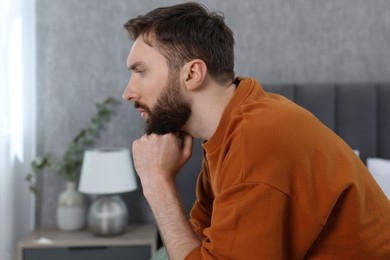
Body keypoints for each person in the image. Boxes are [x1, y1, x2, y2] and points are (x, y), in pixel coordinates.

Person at [122, 2, 390, 259]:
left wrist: (156, 182)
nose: (128, 93)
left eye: (140, 72)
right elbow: (198, 245)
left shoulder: (256, 140)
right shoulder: (229, 130)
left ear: (192, 74)